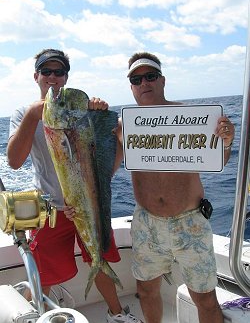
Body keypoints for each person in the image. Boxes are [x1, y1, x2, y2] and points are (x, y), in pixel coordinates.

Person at [7, 48, 142, 323]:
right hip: (49, 209)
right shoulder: (24, 113)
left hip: (89, 203)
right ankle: (36, 316)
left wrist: (104, 121)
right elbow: (14, 161)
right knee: (42, 271)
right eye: (47, 72)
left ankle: (117, 313)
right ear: (37, 77)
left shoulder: (82, 112)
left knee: (100, 259)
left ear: (66, 77)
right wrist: (35, 115)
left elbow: (109, 161)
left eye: (59, 72)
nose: (53, 77)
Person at [114, 52, 235, 323]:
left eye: (150, 76)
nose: (144, 83)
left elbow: (220, 158)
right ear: (131, 86)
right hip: (146, 223)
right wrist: (111, 138)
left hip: (190, 222)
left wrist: (226, 141)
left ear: (162, 80)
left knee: (205, 298)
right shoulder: (124, 126)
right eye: (136, 79)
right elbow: (107, 170)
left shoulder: (194, 118)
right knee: (145, 290)